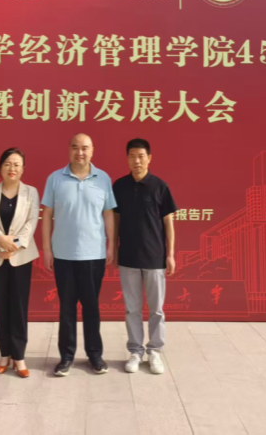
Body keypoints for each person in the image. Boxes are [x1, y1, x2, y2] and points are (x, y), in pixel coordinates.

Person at [41, 133, 117, 377]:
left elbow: (108, 214)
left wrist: (111, 246)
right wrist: (47, 249)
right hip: (63, 255)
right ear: (69, 150)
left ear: (92, 151)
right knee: (67, 308)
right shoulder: (55, 178)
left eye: (85, 148)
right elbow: (47, 215)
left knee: (92, 307)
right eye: (75, 147)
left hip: (93, 254)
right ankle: (66, 357)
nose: (80, 152)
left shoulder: (103, 178)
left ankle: (95, 355)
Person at [112, 138, 177, 375]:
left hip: (155, 258)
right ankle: (135, 351)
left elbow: (168, 223)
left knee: (156, 309)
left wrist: (170, 254)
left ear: (149, 158)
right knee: (132, 309)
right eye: (132, 156)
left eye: (141, 156)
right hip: (128, 257)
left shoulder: (160, 186)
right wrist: (114, 249)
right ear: (127, 159)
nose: (136, 161)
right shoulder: (119, 186)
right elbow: (116, 221)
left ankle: (155, 351)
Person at [0, 148, 40, 378]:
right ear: (0, 167)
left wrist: (12, 245)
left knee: (19, 307)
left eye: (16, 164)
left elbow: (31, 222)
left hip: (20, 257)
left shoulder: (31, 193)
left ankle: (19, 357)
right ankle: (4, 355)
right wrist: (0, 240)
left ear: (23, 169)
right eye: (7, 164)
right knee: (1, 306)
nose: (12, 168)